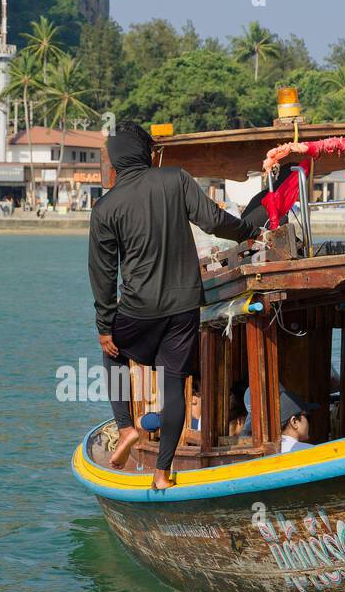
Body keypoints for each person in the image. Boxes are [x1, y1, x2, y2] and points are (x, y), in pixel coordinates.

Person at [90, 123, 259, 489]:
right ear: (144, 154)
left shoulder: (106, 207)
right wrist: (248, 230)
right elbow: (214, 222)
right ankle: (162, 473)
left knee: (113, 354)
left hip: (137, 308)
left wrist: (105, 326)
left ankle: (125, 430)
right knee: (173, 386)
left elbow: (103, 275)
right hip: (184, 307)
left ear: (117, 159)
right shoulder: (175, 179)